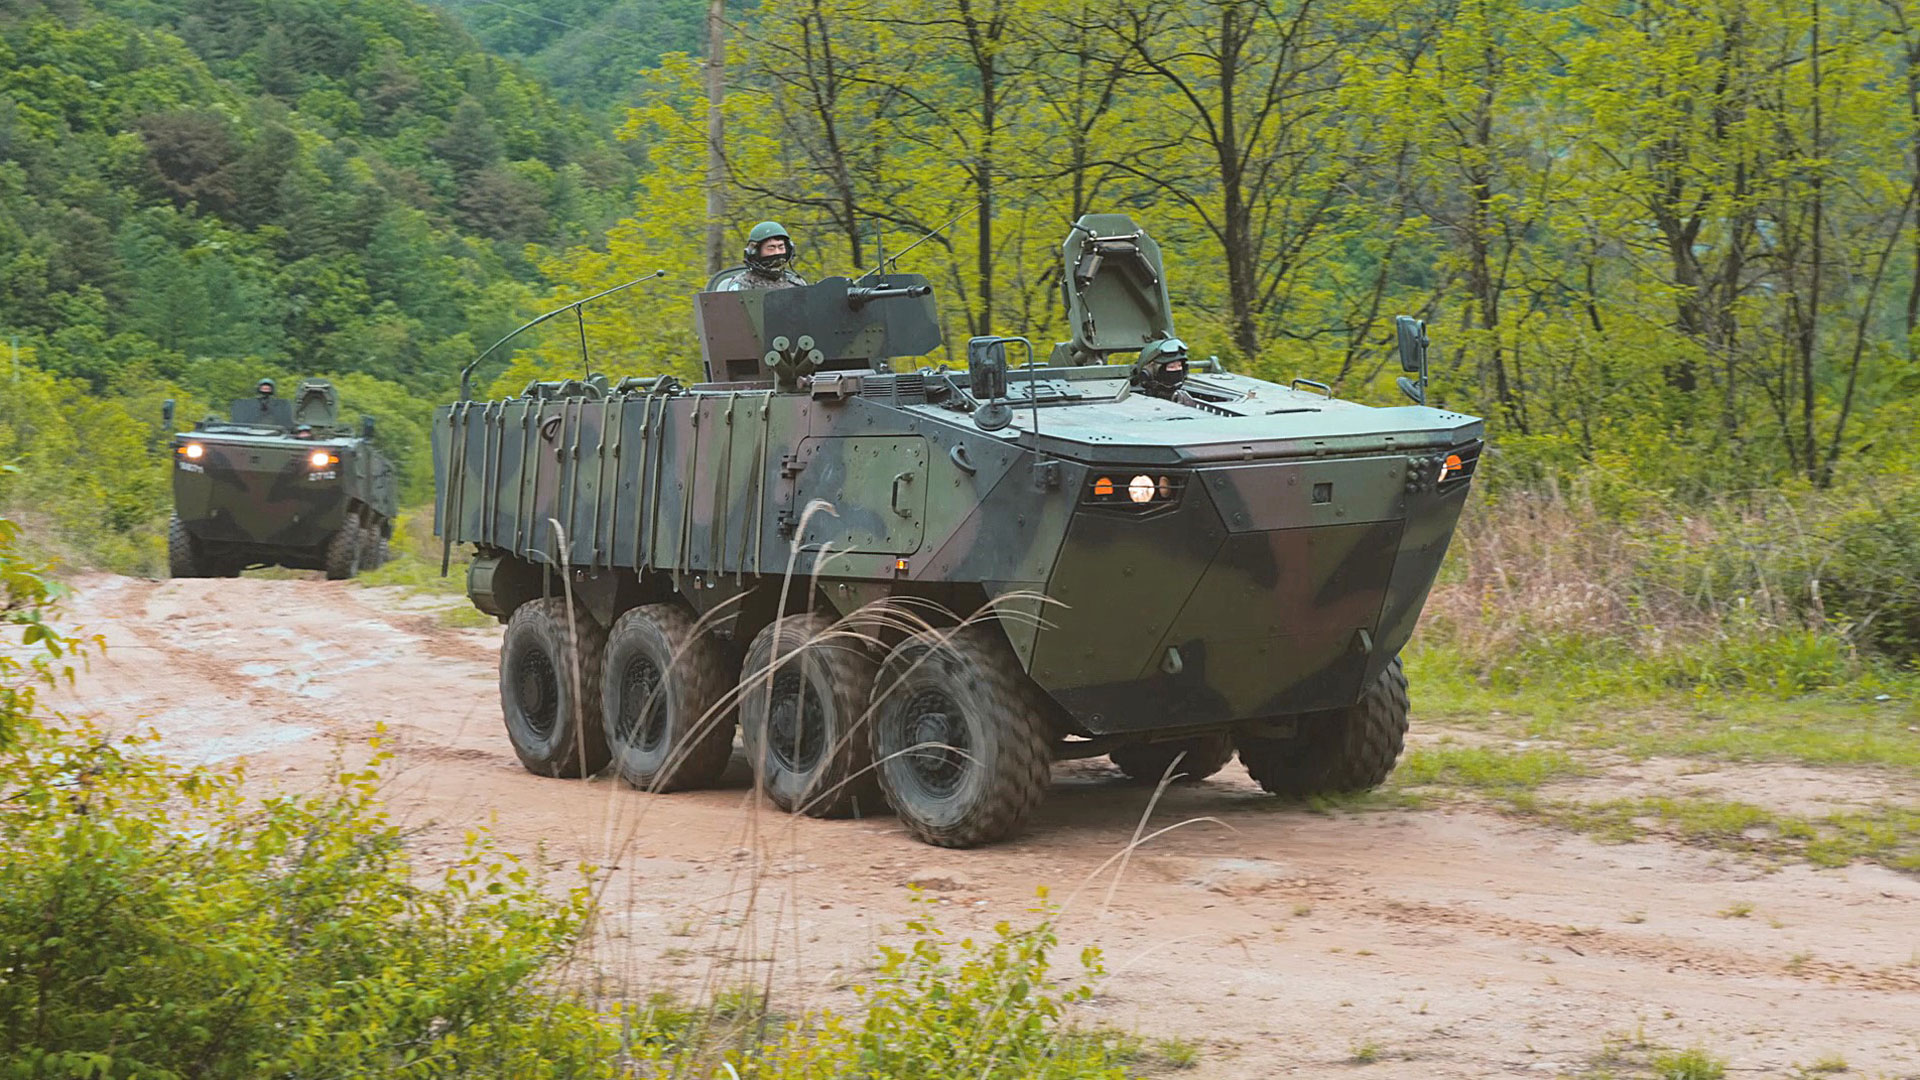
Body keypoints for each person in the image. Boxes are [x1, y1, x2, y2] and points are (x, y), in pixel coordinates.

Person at [714, 221, 808, 291]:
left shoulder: (797, 284)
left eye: (781, 247)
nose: (777, 252)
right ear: (755, 252)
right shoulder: (741, 285)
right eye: (771, 248)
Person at [1131, 337, 1197, 404]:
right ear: (1150, 372)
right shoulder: (1134, 398)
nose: (1177, 370)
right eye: (1171, 367)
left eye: (1179, 366)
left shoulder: (1187, 394)